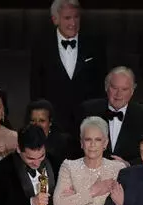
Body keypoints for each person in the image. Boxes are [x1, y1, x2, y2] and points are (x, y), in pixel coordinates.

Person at [30, 0, 107, 137]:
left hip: (87, 124)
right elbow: (36, 87)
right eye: (67, 18)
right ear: (55, 20)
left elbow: (102, 84)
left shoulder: (95, 44)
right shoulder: (41, 46)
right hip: (54, 123)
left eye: (76, 17)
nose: (73, 23)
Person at [80, 66, 143, 166]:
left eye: (124, 89)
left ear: (132, 91)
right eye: (114, 88)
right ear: (106, 87)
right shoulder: (88, 110)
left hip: (130, 174)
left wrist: (128, 164)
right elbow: (75, 147)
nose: (118, 94)